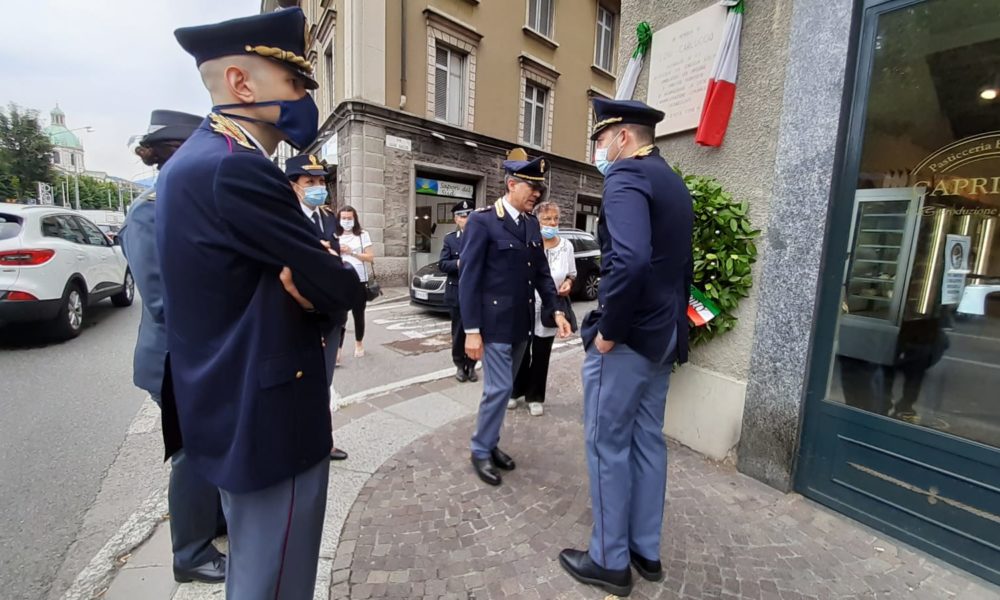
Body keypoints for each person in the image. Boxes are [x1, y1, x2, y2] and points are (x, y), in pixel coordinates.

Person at [157, 9, 362, 599]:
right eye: (295, 83)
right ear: (241, 85)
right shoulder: (237, 169)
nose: (305, 98)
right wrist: (328, 279)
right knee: (274, 581)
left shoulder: (192, 162)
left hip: (224, 405)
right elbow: (338, 285)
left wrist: (313, 272)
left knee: (253, 568)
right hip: (267, 415)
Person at [559, 98, 693, 598]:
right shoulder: (671, 180)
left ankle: (609, 560)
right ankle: (645, 550)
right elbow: (681, 268)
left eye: (600, 139)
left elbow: (631, 261)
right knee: (646, 441)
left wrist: (610, 330)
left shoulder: (626, 177)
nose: (597, 149)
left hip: (629, 338)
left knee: (606, 444)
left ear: (622, 138)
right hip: (662, 336)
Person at [118, 110, 227, 584]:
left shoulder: (187, 203)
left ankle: (214, 523)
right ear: (176, 155)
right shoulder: (151, 209)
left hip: (201, 352)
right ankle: (190, 553)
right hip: (177, 357)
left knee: (210, 447)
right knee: (192, 453)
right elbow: (163, 300)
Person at [459, 148, 572, 487]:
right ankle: (480, 449)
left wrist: (555, 310)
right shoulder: (483, 221)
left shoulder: (530, 225)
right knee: (500, 389)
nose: (536, 195)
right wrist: (472, 331)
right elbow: (469, 279)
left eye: (539, 190)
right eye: (530, 188)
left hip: (521, 322)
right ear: (511, 184)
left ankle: (490, 444)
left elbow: (540, 274)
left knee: (500, 389)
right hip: (493, 325)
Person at [283, 153, 350, 461]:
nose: (317, 187)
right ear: (293, 185)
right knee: (297, 386)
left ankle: (324, 440)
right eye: (309, 182)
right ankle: (298, 444)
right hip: (296, 316)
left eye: (321, 181)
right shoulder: (283, 217)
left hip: (330, 315)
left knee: (323, 383)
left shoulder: (327, 217)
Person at [508, 201, 576, 416]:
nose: (552, 223)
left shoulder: (566, 246)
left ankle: (535, 396)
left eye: (556, 219)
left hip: (550, 307)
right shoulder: (527, 243)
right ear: (536, 221)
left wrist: (569, 283)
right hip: (525, 305)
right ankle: (514, 391)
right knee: (520, 350)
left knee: (541, 352)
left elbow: (571, 273)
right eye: (547, 219)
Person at [440, 199, 478, 383]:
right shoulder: (450, 239)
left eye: (469, 215)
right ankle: (459, 365)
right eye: (462, 216)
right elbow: (442, 264)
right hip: (456, 291)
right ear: (456, 219)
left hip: (477, 293)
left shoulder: (480, 236)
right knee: (458, 332)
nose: (466, 218)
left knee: (476, 330)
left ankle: (471, 366)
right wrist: (458, 263)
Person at [335, 206, 374, 361]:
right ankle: (337, 349)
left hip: (359, 280)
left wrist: (352, 252)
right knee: (340, 316)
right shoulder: (334, 235)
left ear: (355, 219)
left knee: (358, 314)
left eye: (349, 218)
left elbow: (370, 257)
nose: (346, 221)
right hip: (339, 279)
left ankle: (359, 343)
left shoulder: (362, 235)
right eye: (343, 218)